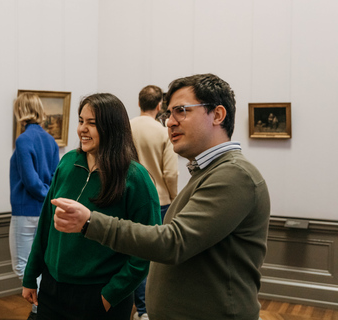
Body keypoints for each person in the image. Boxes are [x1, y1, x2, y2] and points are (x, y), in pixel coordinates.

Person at [53, 74, 271, 320]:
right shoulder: (209, 172)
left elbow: (173, 243)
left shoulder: (234, 175)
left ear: (218, 115)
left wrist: (91, 222)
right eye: (168, 113)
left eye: (181, 111)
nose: (169, 122)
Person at [21, 93, 161, 320]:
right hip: (52, 288)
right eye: (80, 121)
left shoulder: (135, 178)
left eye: (92, 123)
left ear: (112, 127)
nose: (82, 129)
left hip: (100, 294)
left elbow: (148, 246)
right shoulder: (68, 162)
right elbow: (46, 224)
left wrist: (110, 294)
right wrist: (31, 276)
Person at [130, 85, 179, 320]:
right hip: (159, 199)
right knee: (153, 257)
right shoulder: (162, 131)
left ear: (139, 103)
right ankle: (148, 310)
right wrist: (174, 197)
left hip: (128, 198)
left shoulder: (125, 127)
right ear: (160, 105)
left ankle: (138, 309)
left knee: (131, 251)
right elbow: (170, 172)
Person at [9, 92, 59, 320]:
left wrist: (45, 198)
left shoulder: (23, 139)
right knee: (42, 264)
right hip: (45, 213)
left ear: (20, 110)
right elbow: (56, 178)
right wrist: (49, 201)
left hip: (26, 211)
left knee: (23, 267)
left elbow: (30, 181)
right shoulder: (50, 139)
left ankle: (42, 309)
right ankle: (44, 308)